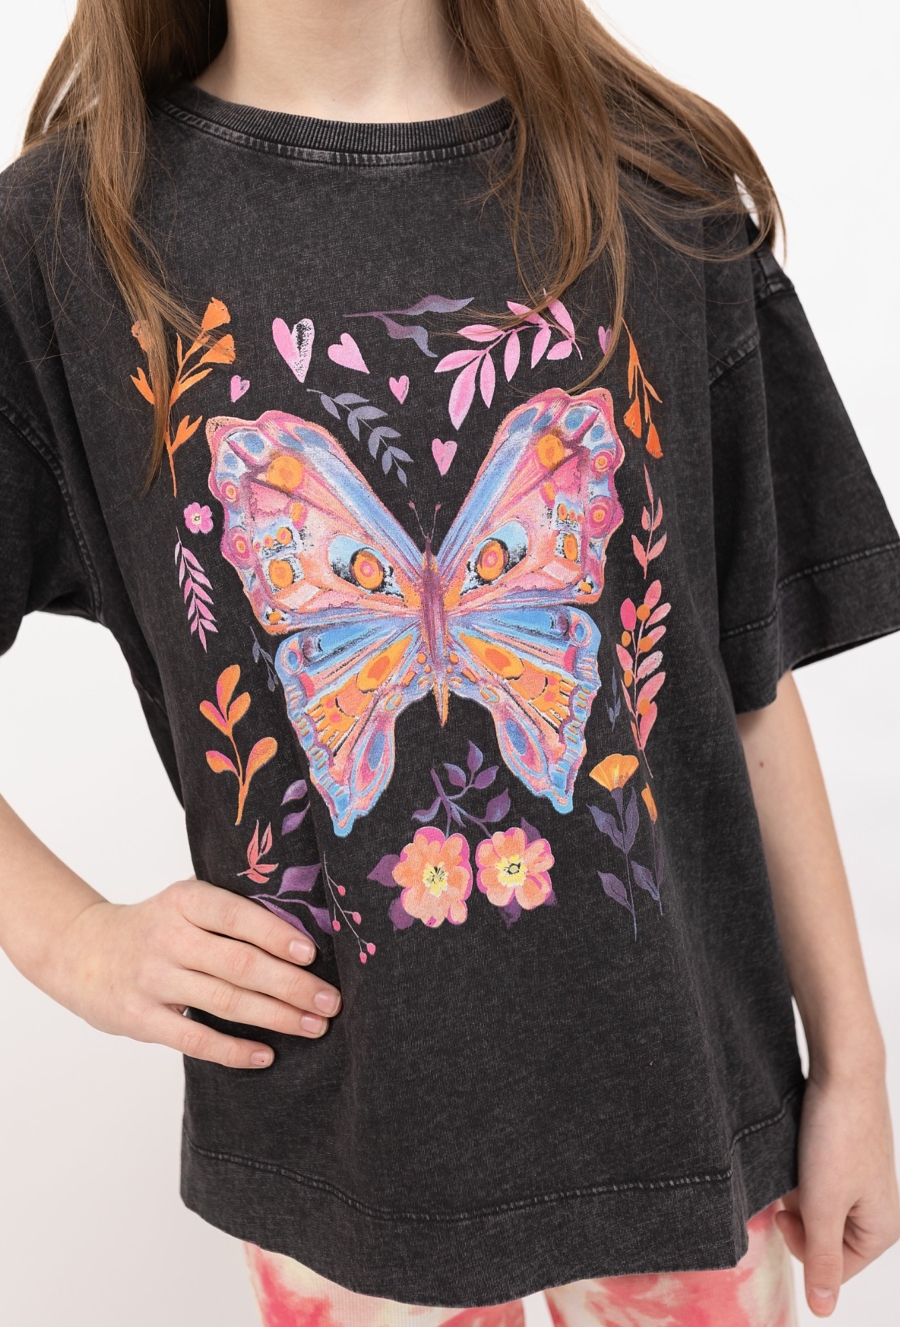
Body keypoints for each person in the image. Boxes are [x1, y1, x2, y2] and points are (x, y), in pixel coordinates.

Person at [1, 0, 898, 1323]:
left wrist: (854, 1061)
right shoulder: (71, 242)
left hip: (695, 1121)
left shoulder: (654, 187)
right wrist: (71, 940)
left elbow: (742, 680)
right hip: (351, 1170)